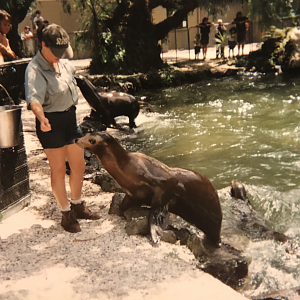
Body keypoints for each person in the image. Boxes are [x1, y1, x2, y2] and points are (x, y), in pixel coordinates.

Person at [25, 23, 100, 233]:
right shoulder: (35, 69)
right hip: (50, 123)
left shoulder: (64, 63)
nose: (60, 55)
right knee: (58, 170)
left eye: (62, 51)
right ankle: (66, 214)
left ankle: (77, 204)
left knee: (79, 165)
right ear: (43, 45)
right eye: (55, 52)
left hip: (70, 120)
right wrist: (41, 117)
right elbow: (34, 100)